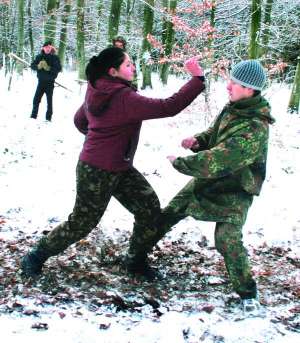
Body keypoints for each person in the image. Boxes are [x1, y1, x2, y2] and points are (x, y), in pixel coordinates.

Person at [21, 47, 205, 280]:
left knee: (148, 208)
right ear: (113, 71)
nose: (133, 67)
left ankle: (135, 261)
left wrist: (103, 137)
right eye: (128, 65)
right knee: (82, 222)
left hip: (119, 167)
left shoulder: (98, 87)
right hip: (97, 171)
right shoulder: (123, 97)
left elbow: (80, 121)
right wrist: (197, 80)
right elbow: (167, 107)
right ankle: (35, 256)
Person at [137, 60, 275, 315]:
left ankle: (247, 293)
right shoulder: (233, 108)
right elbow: (214, 136)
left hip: (235, 190)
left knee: (227, 240)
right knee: (167, 215)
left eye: (235, 83)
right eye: (230, 80)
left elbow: (221, 158)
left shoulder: (255, 127)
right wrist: (197, 141)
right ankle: (134, 258)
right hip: (209, 181)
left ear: (250, 90)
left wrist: (182, 162)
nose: (228, 86)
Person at [30, 41, 62, 121]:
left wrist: (48, 68)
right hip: (40, 82)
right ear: (43, 48)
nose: (47, 49)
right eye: (46, 47)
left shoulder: (55, 58)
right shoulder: (39, 57)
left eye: (49, 47)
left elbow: (58, 69)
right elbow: (32, 66)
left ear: (51, 48)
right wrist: (38, 66)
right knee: (36, 100)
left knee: (49, 101)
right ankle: (33, 116)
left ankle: (48, 118)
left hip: (50, 83)